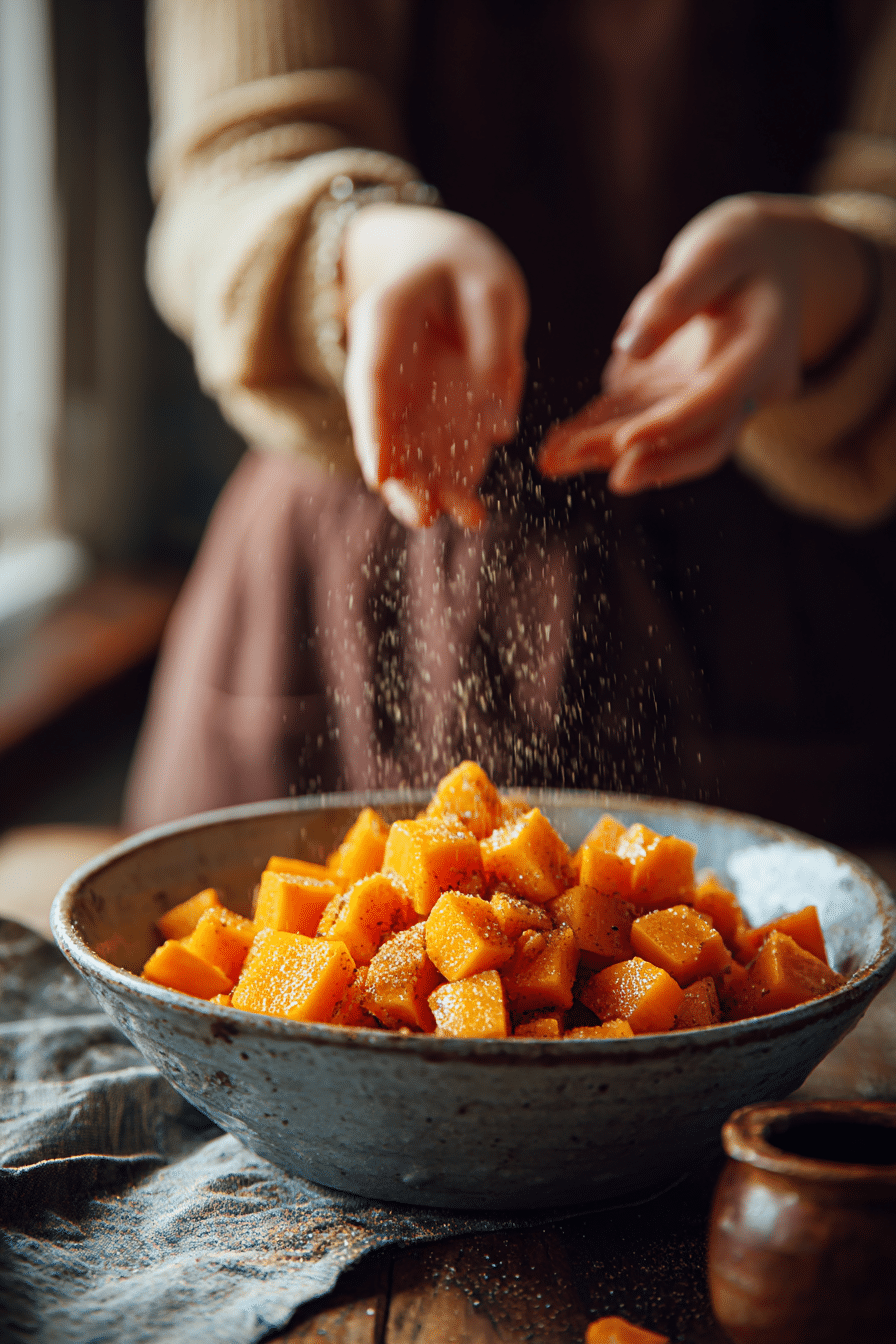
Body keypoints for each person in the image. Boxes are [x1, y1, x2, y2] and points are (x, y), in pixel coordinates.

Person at [126, 0, 896, 846]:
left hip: (789, 605)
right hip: (349, 565)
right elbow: (230, 169)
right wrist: (358, 249)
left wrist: (838, 278)